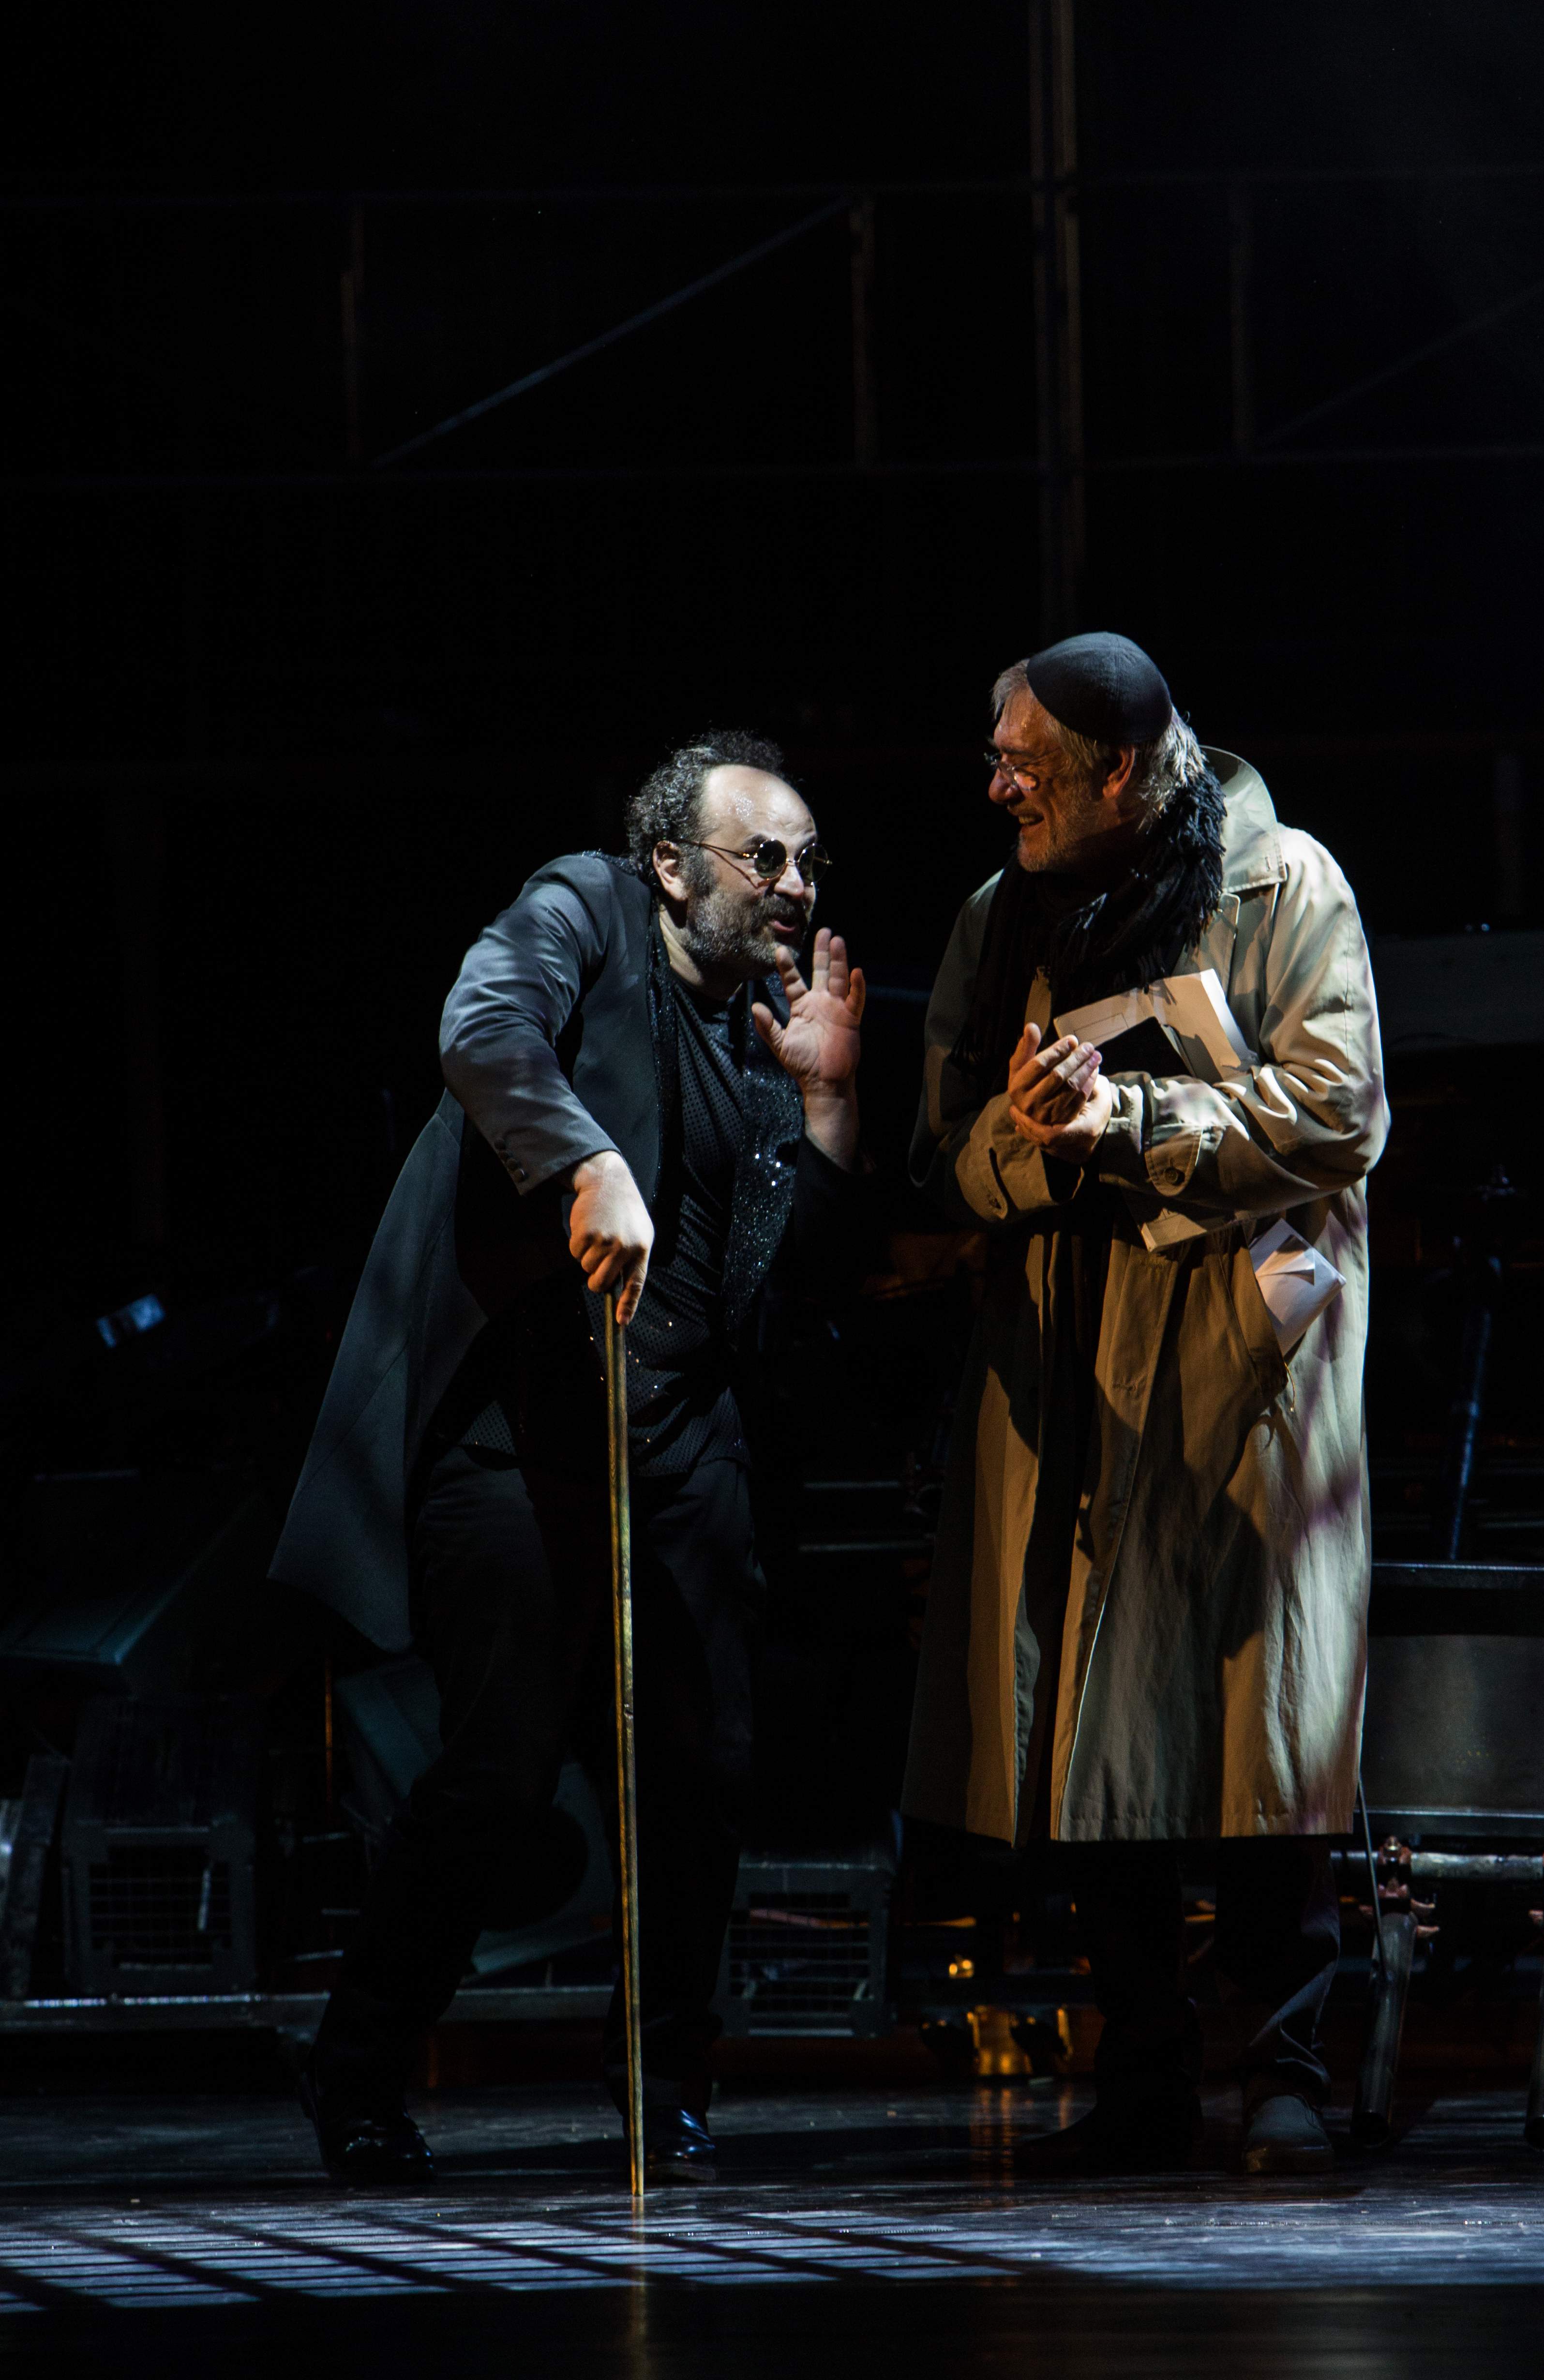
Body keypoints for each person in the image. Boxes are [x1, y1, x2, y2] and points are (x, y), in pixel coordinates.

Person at [272, 732, 864, 2180]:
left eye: (809, 862)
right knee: (503, 1767)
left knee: (701, 1774)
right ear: (669, 864)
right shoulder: (583, 910)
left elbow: (792, 1289)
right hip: (519, 1433)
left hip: (683, 1444)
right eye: (764, 857)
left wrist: (828, 1106)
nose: (795, 886)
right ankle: (359, 2068)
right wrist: (586, 1163)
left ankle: (665, 2086)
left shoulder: (762, 1031)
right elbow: (484, 1030)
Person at [903, 633, 1387, 2175]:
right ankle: (1145, 2075)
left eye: (1024, 764)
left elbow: (1340, 1109)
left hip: (1239, 1365)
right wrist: (1030, 1136)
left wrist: (1134, 1117)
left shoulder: (1284, 885)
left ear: (1117, 769)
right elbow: (946, 1153)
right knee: (1087, 1730)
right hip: (1069, 1366)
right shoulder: (1002, 918)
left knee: (1257, 1728)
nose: (998, 789)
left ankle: (1286, 2068)